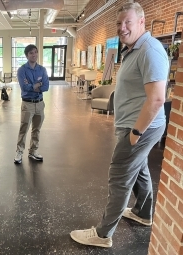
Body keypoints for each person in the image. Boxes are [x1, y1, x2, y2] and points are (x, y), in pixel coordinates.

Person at [70, 2, 168, 248]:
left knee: (120, 175)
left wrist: (135, 132)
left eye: (128, 22)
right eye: (118, 23)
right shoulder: (134, 49)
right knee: (140, 170)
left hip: (141, 126)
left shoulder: (149, 50)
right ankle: (143, 213)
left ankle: (102, 234)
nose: (122, 28)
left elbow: (157, 98)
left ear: (142, 23)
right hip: (136, 125)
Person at [13, 44, 49, 164]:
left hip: (39, 104)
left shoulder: (42, 69)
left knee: (36, 129)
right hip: (27, 104)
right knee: (24, 129)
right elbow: (24, 87)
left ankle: (33, 151)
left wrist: (33, 86)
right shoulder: (22, 70)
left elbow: (46, 86)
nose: (34, 55)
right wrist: (37, 84)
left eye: (35, 52)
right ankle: (19, 152)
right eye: (31, 53)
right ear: (27, 55)